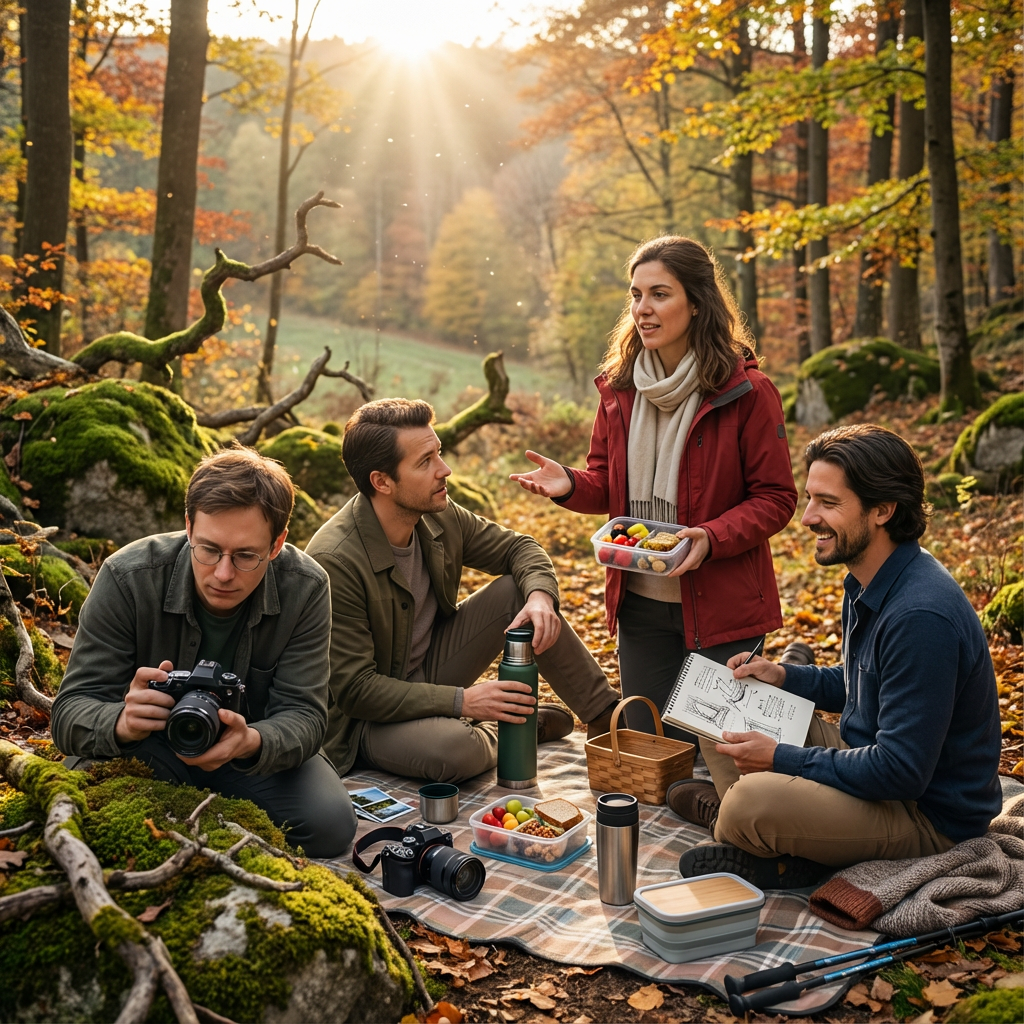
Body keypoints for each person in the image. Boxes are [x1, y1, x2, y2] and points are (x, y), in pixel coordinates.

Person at [669, 424, 1002, 889]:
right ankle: (772, 833)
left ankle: (758, 833)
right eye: (810, 499)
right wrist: (783, 675)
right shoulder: (872, 578)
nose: (807, 518)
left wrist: (782, 758)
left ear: (882, 510)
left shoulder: (921, 615)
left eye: (827, 503)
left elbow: (901, 771)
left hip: (924, 816)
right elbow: (863, 681)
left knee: (750, 802)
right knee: (724, 710)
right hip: (862, 757)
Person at [511, 236, 797, 751]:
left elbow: (776, 498)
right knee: (647, 749)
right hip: (639, 600)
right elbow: (607, 482)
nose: (643, 309)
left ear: (696, 301)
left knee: (718, 758)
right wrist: (571, 483)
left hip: (722, 604)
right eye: (636, 295)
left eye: (659, 294)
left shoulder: (748, 393)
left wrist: (708, 538)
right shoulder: (620, 389)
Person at [51, 448, 357, 859]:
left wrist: (251, 740)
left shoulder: (305, 587)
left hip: (249, 752)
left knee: (330, 825)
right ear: (188, 527)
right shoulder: (128, 577)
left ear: (277, 544)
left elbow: (305, 715)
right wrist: (122, 721)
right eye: (208, 549)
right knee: (83, 814)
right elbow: (69, 713)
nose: (224, 573)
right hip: (145, 748)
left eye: (246, 555)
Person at [305, 398, 621, 784]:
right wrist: (464, 702)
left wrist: (541, 597)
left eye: (439, 453)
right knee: (455, 751)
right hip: (366, 719)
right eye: (425, 462)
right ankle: (520, 727)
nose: (445, 470)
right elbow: (356, 690)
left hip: (433, 668)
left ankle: (608, 720)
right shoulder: (335, 559)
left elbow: (518, 548)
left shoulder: (438, 512)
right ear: (382, 481)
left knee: (520, 592)